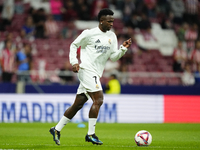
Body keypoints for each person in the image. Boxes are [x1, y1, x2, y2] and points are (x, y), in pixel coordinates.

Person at [49, 8, 132, 145]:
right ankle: (91, 134)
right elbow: (74, 45)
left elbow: (113, 57)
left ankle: (56, 129)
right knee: (98, 99)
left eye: (113, 21)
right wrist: (74, 62)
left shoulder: (112, 36)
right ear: (101, 21)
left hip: (96, 73)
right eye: (109, 21)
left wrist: (123, 49)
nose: (111, 24)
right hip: (86, 70)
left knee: (78, 104)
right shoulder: (89, 34)